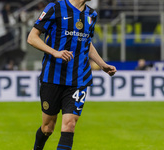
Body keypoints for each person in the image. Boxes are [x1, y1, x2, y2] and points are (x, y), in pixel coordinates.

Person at [27, 0, 117, 149]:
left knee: (69, 125)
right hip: (53, 76)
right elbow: (32, 38)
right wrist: (55, 52)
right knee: (47, 128)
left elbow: (86, 43)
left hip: (79, 78)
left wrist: (102, 65)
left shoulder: (91, 14)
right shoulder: (55, 8)